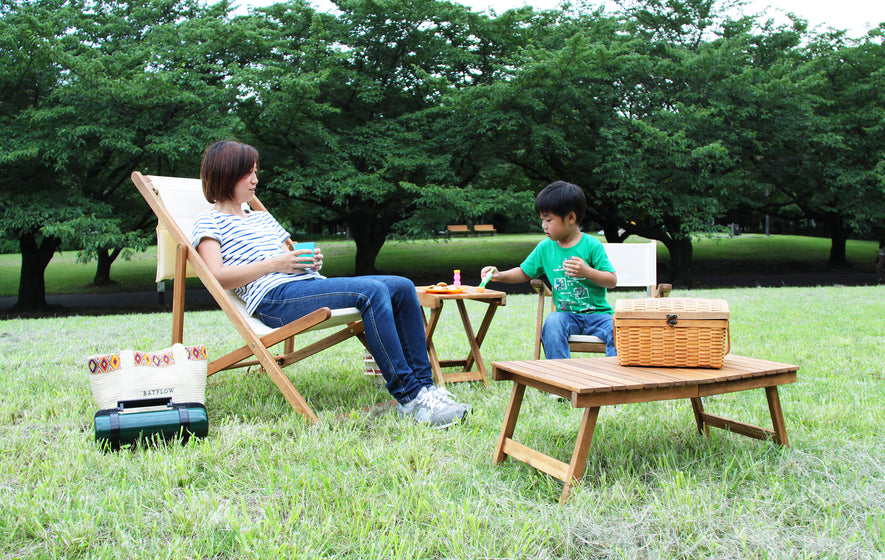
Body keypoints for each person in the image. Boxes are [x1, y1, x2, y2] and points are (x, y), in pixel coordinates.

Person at [191, 140, 470, 428]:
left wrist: (309, 261)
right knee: (372, 292)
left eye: (255, 172)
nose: (255, 180)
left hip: (304, 285)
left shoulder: (262, 218)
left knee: (400, 285)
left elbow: (292, 253)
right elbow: (216, 275)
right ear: (226, 174)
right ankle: (410, 398)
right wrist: (276, 264)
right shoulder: (209, 222)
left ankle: (425, 389)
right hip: (274, 299)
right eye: (247, 173)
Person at [480, 181, 617, 359]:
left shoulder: (591, 245)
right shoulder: (545, 247)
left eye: (549, 220)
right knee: (552, 323)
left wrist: (587, 272)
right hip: (566, 315)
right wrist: (500, 275)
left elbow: (612, 280)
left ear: (570, 218)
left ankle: (615, 380)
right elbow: (524, 272)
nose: (544, 225)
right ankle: (560, 379)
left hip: (599, 315)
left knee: (619, 329)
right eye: (542, 220)